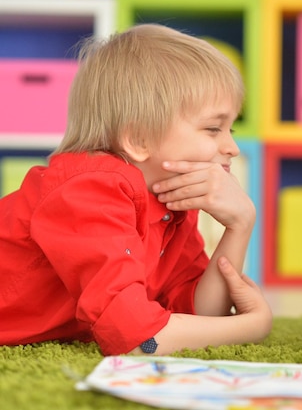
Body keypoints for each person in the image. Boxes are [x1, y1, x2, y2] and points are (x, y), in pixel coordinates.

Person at [0, 24, 272, 356]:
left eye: (230, 128)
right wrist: (249, 326)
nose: (231, 147)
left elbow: (196, 313)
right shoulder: (89, 191)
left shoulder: (169, 202)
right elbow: (138, 339)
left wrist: (240, 224)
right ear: (139, 140)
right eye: (213, 128)